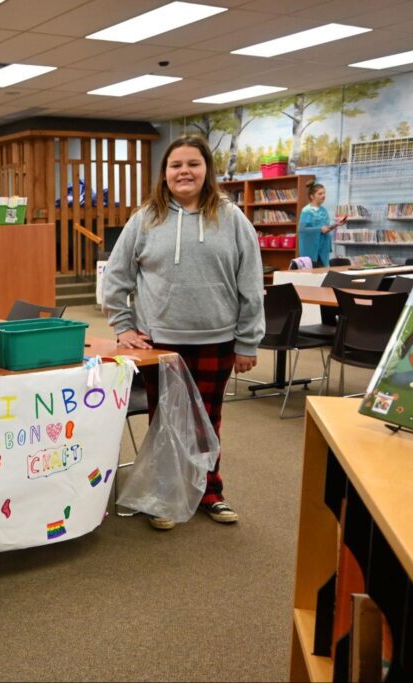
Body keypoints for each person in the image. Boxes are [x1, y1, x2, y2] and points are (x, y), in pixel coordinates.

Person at [102, 134, 265, 531]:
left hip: (218, 339)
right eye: (176, 165)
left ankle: (211, 492)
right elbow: (117, 276)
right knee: (166, 421)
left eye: (193, 164)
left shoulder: (231, 219)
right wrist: (123, 327)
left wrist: (248, 340)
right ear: (165, 173)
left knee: (207, 420)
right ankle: (165, 495)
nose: (184, 171)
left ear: (206, 170)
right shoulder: (146, 218)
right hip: (161, 343)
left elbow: (251, 282)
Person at [298, 181, 346, 266]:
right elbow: (302, 230)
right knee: (313, 275)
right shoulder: (306, 211)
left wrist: (336, 224)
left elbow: (325, 228)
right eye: (320, 194)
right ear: (312, 196)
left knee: (323, 274)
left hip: (323, 248)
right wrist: (319, 229)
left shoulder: (324, 210)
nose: (323, 196)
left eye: (324, 193)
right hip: (311, 249)